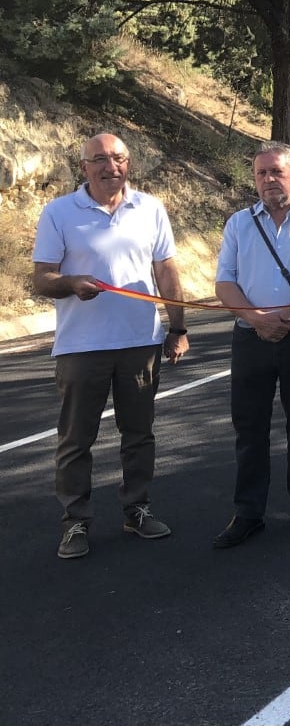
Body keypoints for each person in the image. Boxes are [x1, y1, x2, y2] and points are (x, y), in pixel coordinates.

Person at [32, 132, 191, 560]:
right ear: (83, 167)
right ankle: (75, 522)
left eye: (118, 158)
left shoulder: (150, 209)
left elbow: (166, 269)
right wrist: (69, 284)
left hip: (140, 343)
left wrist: (177, 327)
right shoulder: (60, 212)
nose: (110, 166)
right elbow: (41, 277)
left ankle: (136, 508)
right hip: (80, 347)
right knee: (75, 439)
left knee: (138, 434)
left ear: (129, 164)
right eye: (99, 159)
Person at [212, 142, 290, 548]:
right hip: (250, 340)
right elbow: (224, 283)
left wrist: (284, 319)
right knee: (249, 428)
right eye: (261, 174)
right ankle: (249, 511)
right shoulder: (238, 224)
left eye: (277, 172)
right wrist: (256, 320)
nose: (269, 180)